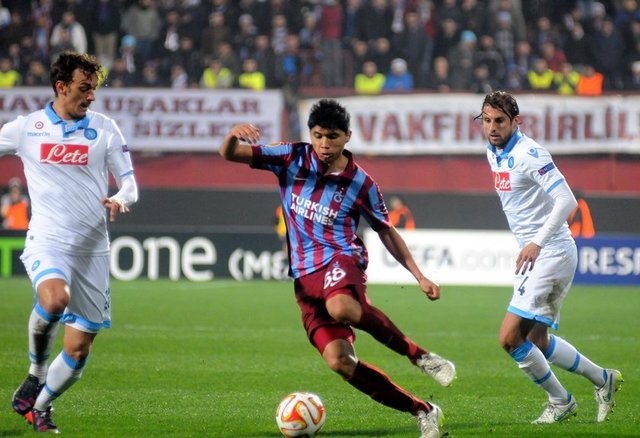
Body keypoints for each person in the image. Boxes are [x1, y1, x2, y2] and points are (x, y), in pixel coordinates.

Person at [219, 99, 455, 438]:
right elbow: (230, 153)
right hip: (304, 280)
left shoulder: (361, 183)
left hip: (341, 259)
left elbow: (386, 230)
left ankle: (420, 356)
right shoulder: (290, 157)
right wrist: (233, 135)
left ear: (347, 137)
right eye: (317, 136)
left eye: (332, 136)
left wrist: (419, 275)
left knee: (341, 306)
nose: (324, 144)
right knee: (340, 362)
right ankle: (424, 410)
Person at [1, 52, 138, 433]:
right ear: (61, 87)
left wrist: (121, 198)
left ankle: (40, 406)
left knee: (79, 349)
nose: (91, 96)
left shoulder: (105, 129)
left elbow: (130, 183)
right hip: (48, 240)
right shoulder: (28, 128)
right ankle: (35, 373)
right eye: (84, 88)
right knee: (54, 300)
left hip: (93, 250)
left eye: (94, 89)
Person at [479, 91, 622, 425]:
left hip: (551, 252)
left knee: (509, 338)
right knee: (537, 340)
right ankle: (604, 379)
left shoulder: (530, 153)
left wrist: (537, 243)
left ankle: (561, 401)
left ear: (516, 121)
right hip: (538, 256)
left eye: (500, 121)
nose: (492, 127)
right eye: (486, 120)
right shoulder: (493, 152)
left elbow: (566, 199)